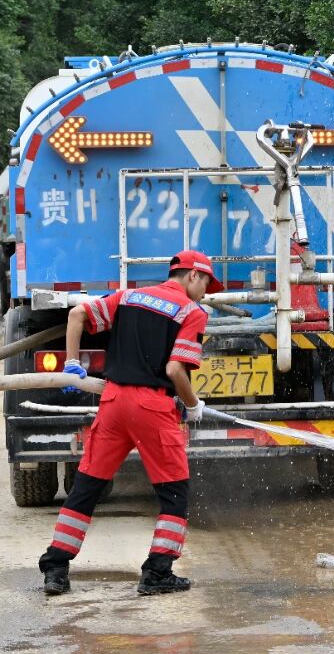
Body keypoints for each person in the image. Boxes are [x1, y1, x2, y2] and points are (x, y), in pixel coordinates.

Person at [37, 250, 220, 597]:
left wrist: (73, 363)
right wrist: (193, 405)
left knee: (87, 487)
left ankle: (56, 569)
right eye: (207, 282)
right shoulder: (191, 312)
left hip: (114, 402)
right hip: (152, 407)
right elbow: (174, 371)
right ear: (193, 275)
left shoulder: (130, 296)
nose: (207, 292)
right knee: (174, 494)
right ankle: (157, 572)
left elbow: (77, 314)